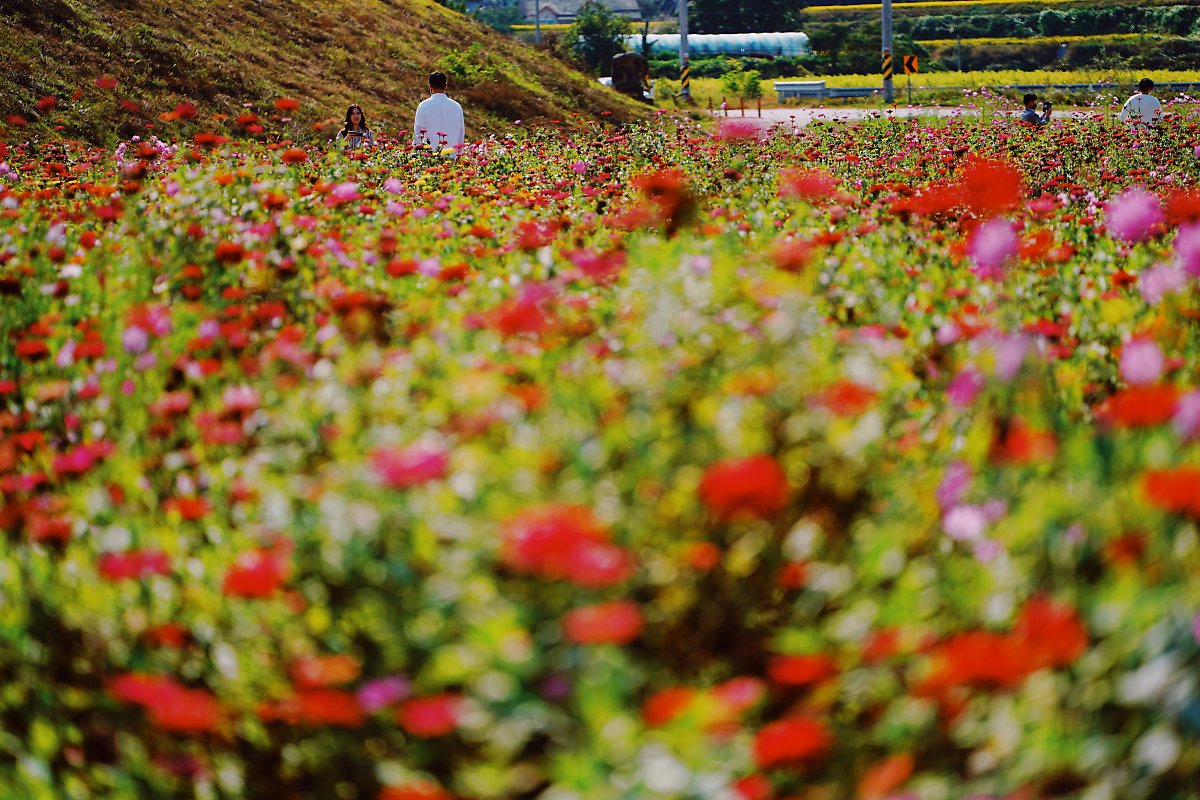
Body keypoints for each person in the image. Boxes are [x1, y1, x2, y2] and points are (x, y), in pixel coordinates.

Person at [413, 71, 465, 157]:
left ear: (430, 86)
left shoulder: (424, 106)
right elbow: (461, 133)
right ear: (446, 86)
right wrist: (459, 154)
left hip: (429, 158)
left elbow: (418, 132)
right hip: (452, 157)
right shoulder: (457, 107)